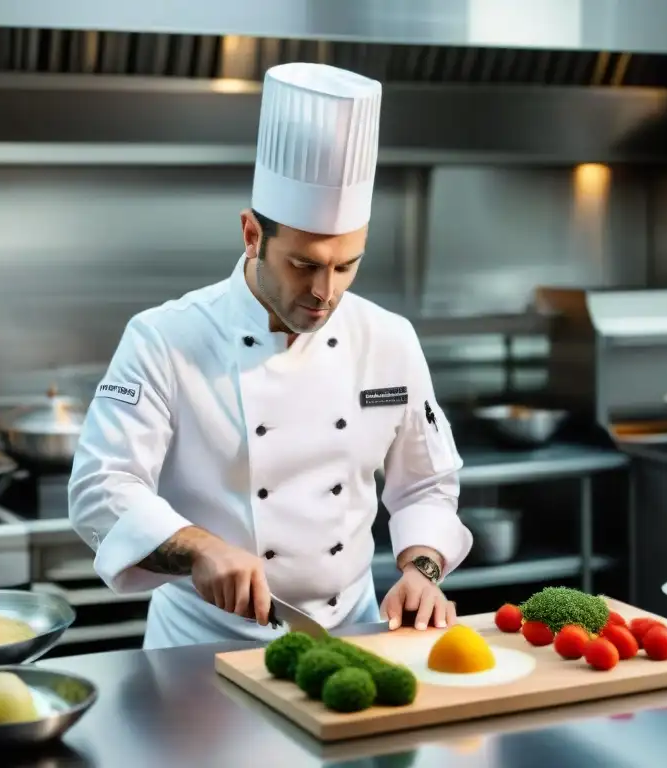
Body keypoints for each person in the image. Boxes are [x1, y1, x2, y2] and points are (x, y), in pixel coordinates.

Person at [67, 62, 473, 649]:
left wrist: (422, 570)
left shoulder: (388, 339)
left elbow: (427, 484)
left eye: (346, 266)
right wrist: (199, 547)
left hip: (354, 635)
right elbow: (100, 488)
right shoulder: (165, 339)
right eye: (304, 264)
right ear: (252, 235)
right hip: (201, 648)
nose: (324, 292)